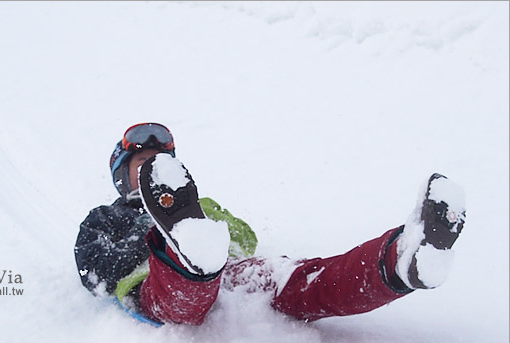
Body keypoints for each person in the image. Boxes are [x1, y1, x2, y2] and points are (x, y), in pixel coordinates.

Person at [75, 123, 466, 326]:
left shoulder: (201, 205)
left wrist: (211, 232)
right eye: (143, 166)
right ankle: (186, 256)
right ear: (121, 177)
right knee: (185, 297)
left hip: (231, 275)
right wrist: (152, 241)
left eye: (161, 164)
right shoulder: (105, 218)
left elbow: (245, 237)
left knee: (299, 282)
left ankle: (402, 259)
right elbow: (93, 267)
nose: (153, 169)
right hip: (158, 285)